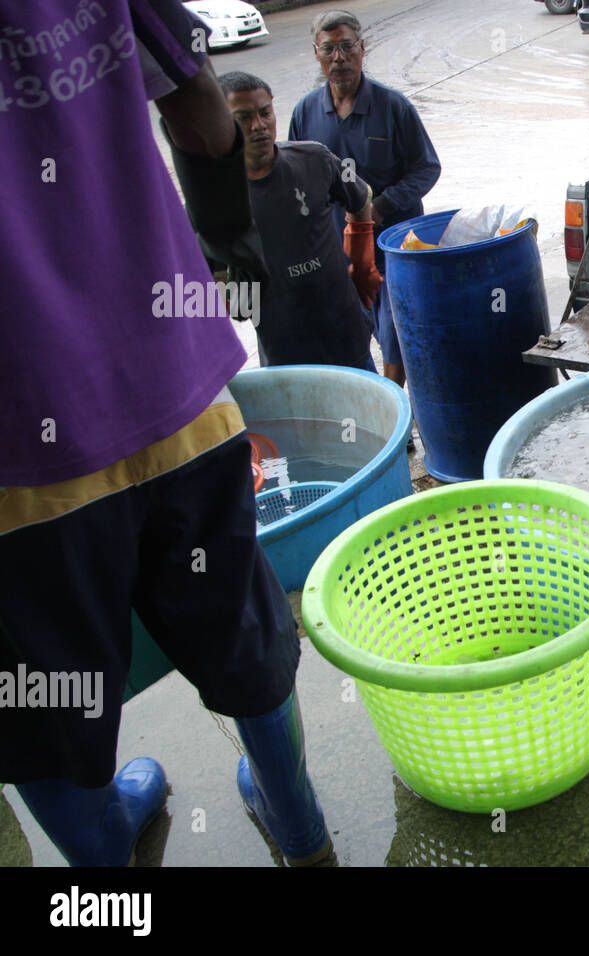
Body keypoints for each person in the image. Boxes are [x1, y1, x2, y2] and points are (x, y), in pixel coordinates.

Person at [0, 0, 330, 866]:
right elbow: (198, 101)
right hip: (172, 380)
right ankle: (297, 823)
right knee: (240, 626)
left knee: (42, 701)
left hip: (18, 456)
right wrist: (223, 241)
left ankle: (106, 864)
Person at [289, 8, 442, 390]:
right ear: (316, 53)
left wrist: (380, 206)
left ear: (362, 48)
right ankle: (373, 408)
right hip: (335, 248)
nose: (338, 58)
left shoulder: (393, 107)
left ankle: (396, 405)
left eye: (346, 47)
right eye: (329, 50)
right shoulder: (306, 112)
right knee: (348, 328)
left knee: (395, 329)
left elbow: (427, 168)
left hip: (392, 244)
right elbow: (293, 180)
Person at [219, 70, 381, 370]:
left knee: (368, 411)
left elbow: (360, 200)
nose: (259, 126)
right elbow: (212, 273)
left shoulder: (315, 158)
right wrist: (236, 298)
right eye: (244, 118)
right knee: (302, 415)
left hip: (343, 328)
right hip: (283, 345)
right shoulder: (215, 197)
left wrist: (362, 264)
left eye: (265, 112)